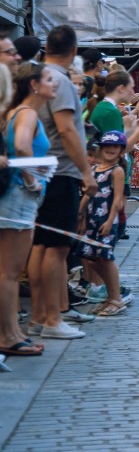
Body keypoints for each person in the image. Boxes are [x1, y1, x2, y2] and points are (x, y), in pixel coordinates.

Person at [27, 26, 97, 341]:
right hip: (61, 171)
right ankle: (51, 319)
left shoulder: (40, 76)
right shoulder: (61, 81)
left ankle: (42, 316)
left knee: (42, 245)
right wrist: (86, 171)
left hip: (45, 171)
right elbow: (67, 130)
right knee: (55, 248)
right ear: (74, 50)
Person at [0, 64, 47, 356]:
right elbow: (22, 148)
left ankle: (12, 331)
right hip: (17, 195)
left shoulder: (15, 113)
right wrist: (31, 180)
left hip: (15, 193)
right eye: (49, 80)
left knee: (10, 272)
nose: (55, 85)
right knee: (9, 272)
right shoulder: (24, 113)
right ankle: (8, 335)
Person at [76, 131, 129, 317]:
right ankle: (110, 294)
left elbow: (117, 200)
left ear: (121, 150)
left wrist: (109, 221)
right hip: (91, 220)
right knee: (91, 258)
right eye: (107, 146)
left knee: (106, 258)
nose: (111, 149)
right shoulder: (94, 170)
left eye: (115, 146)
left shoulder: (117, 171)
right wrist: (80, 214)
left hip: (106, 220)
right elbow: (87, 194)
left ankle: (116, 299)